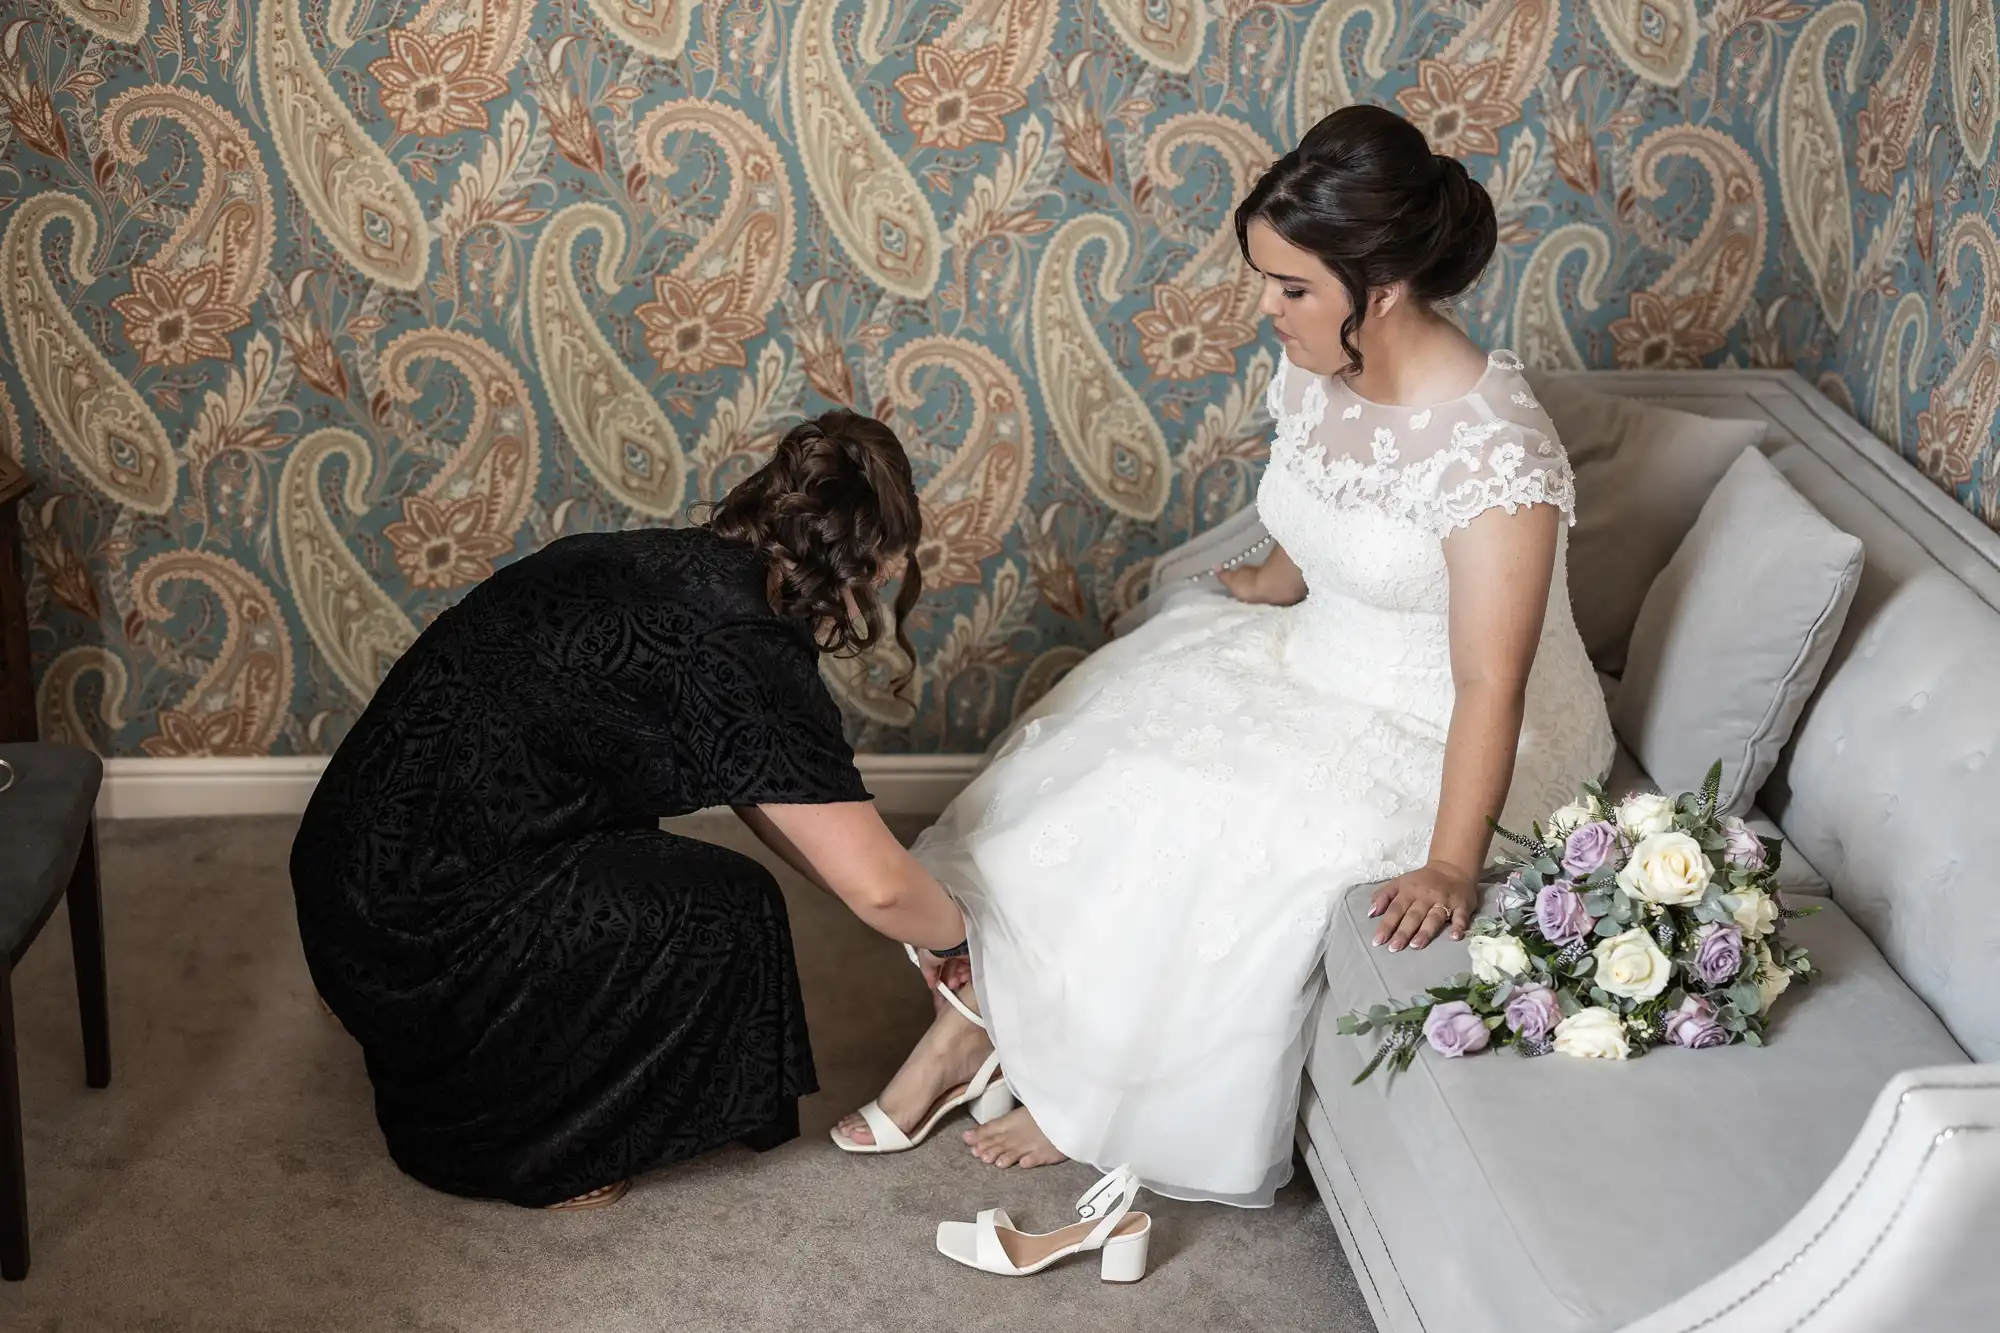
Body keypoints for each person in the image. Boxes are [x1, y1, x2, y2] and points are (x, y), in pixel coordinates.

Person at [834, 105, 1616, 1205]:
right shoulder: (1322, 363)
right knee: (1103, 752)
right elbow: (1328, 493)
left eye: (1290, 288)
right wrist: (1266, 583)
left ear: (1379, 289)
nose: (1264, 308)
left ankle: (1077, 1084)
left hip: (1452, 721)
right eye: (1263, 279)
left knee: (1221, 823)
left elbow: (1491, 678)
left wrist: (1449, 863)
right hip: (1318, 650)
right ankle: (983, 1024)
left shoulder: (1495, 450)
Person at [291, 410, 969, 1209]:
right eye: (884, 580)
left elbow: (767, 789)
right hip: (419, 923)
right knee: (722, 910)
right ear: (859, 572)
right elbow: (879, 886)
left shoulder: (663, 562)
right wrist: (966, 943)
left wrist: (907, 925)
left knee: (633, 850)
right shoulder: (745, 647)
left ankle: (398, 1004)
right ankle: (548, 1135)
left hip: (345, 864)